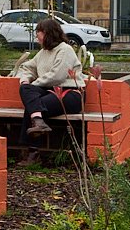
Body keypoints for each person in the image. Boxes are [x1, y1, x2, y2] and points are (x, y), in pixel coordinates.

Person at [11, 16, 87, 163]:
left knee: (33, 105)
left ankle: (32, 152)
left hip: (71, 93)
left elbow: (57, 76)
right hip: (50, 90)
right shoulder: (43, 52)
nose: (36, 37)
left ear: (47, 33)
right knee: (28, 93)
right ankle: (38, 122)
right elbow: (28, 67)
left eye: (38, 32)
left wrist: (34, 85)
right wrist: (25, 80)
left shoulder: (65, 50)